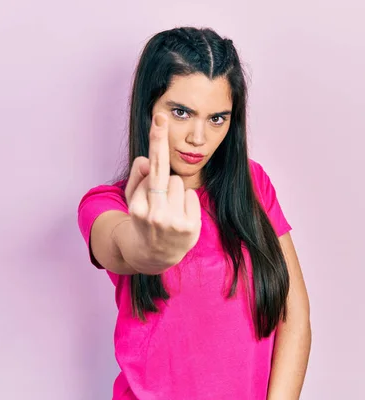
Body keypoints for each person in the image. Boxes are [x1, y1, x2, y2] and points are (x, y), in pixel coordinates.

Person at [77, 26, 311, 400]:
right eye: (181, 112)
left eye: (217, 118)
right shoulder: (108, 205)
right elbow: (122, 246)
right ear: (149, 108)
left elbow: (294, 316)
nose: (199, 138)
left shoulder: (253, 185)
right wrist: (153, 249)